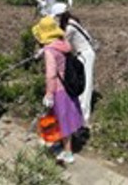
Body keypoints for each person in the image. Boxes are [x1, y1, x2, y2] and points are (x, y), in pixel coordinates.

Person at [32, 16, 84, 164]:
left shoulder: (50, 51)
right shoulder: (62, 43)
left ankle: (68, 153)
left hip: (58, 90)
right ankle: (53, 142)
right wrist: (43, 51)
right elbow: (57, 54)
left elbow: (51, 75)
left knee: (63, 121)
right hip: (68, 87)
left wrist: (49, 94)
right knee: (55, 116)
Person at [50, 3, 96, 126]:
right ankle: (79, 114)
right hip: (81, 54)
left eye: (56, 17)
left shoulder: (70, 27)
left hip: (86, 54)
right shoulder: (71, 22)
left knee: (86, 86)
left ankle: (84, 119)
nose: (56, 19)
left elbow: (61, 44)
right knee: (80, 82)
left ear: (61, 15)